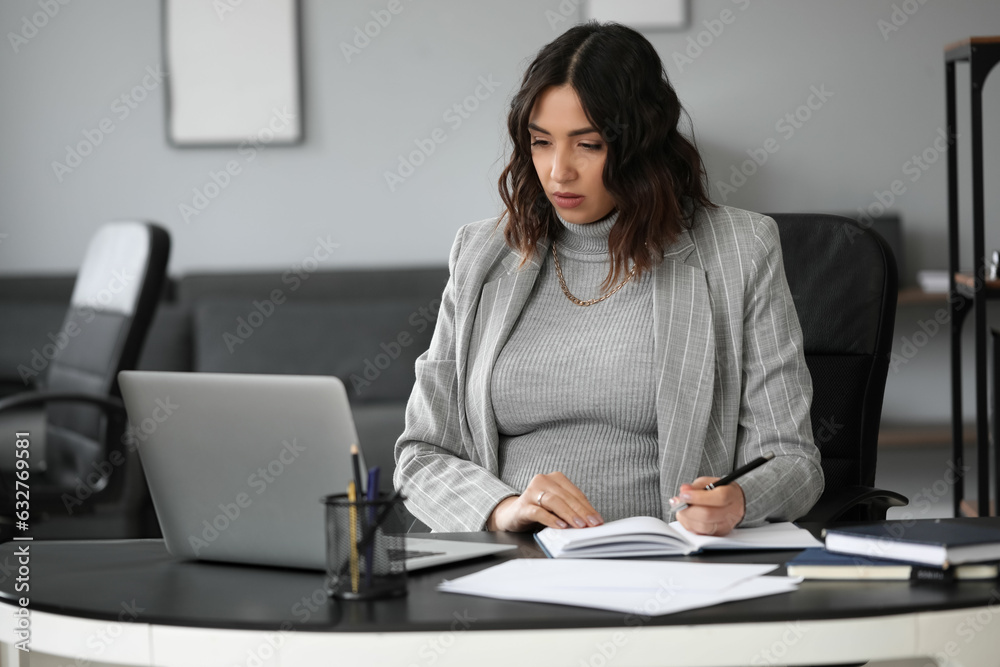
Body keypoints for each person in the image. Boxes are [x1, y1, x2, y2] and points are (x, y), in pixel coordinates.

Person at [393, 21, 823, 536]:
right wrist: (503, 508)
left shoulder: (740, 249)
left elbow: (795, 462)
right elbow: (420, 454)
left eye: (588, 145)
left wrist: (740, 502)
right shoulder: (482, 253)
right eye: (541, 142)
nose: (558, 172)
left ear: (641, 145)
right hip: (516, 565)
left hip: (664, 566)